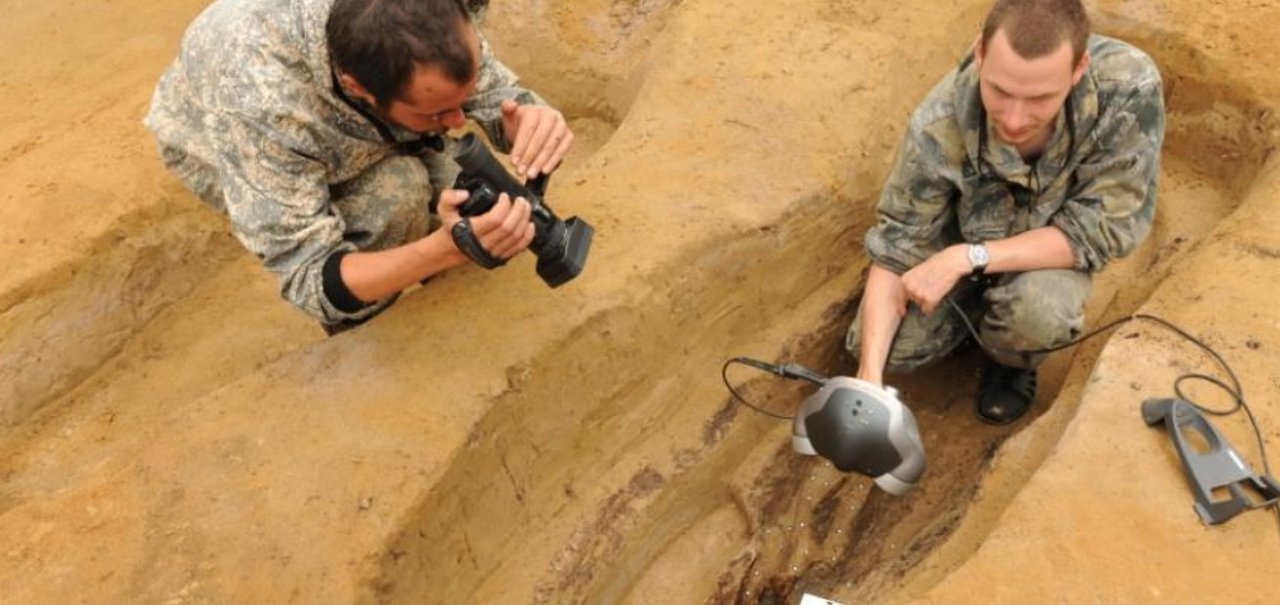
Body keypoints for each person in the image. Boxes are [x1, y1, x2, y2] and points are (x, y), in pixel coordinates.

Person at [146, 0, 573, 334]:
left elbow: (476, 84)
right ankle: (368, 333)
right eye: (438, 113)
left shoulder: (414, 16)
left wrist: (524, 118)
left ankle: (438, 282)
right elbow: (309, 275)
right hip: (221, 137)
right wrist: (444, 248)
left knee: (455, 187)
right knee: (396, 198)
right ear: (357, 87)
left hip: (348, 100)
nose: (459, 121)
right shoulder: (262, 109)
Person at [845, 0, 1165, 424]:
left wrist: (970, 257)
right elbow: (896, 246)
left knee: (1036, 314)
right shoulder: (937, 124)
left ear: (1078, 68)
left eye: (1039, 99)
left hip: (1049, 255)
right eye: (999, 90)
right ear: (980, 54)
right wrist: (868, 378)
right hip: (957, 240)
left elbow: (1101, 229)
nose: (1014, 119)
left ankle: (1012, 359)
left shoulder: (1127, 90)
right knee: (893, 348)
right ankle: (981, 311)